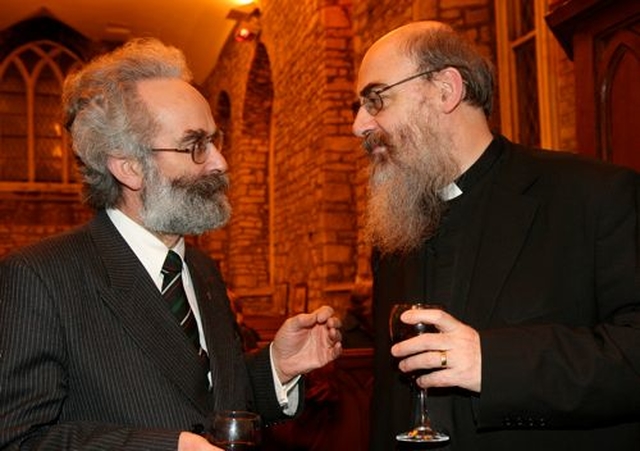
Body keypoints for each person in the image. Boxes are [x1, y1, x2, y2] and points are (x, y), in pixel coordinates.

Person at [0, 38, 342, 451]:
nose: (219, 162)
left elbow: (205, 401)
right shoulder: (41, 277)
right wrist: (164, 448)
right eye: (195, 145)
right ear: (129, 167)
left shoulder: (201, 270)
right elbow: (19, 439)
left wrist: (277, 367)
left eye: (216, 141)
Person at [352, 20, 640, 450]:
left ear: (446, 90)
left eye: (376, 100)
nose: (360, 126)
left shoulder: (593, 196)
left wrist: (493, 363)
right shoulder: (394, 229)